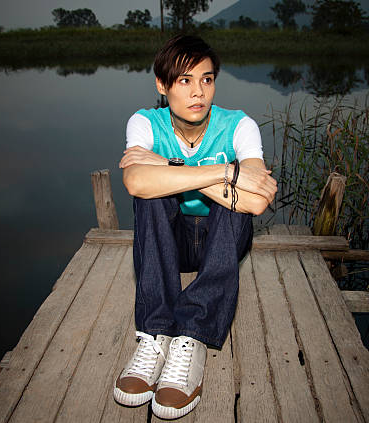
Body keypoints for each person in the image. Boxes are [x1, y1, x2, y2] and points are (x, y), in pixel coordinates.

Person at [113, 34, 277, 419]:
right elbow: (136, 183)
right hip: (170, 238)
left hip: (221, 240)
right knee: (151, 198)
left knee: (234, 207)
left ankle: (192, 335)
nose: (198, 91)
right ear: (162, 85)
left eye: (206, 79)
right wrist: (225, 173)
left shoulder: (239, 125)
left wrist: (170, 166)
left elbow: (255, 202)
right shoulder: (145, 122)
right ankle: (155, 333)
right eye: (184, 81)